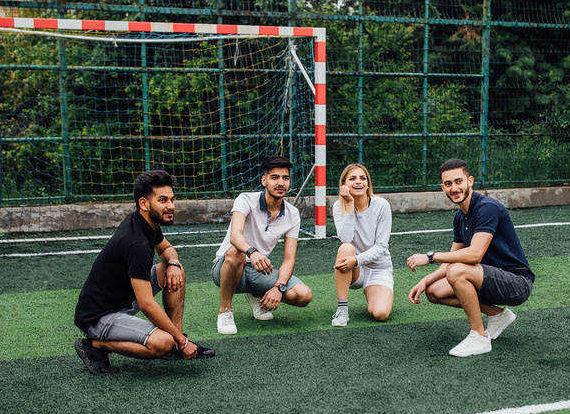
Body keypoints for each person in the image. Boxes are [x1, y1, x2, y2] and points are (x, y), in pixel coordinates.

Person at [74, 170, 215, 374]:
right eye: (163, 200)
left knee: (176, 270)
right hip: (98, 317)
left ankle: (176, 344)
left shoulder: (146, 222)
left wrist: (174, 263)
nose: (171, 206)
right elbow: (147, 305)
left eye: (172, 200)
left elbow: (167, 250)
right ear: (144, 203)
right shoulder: (136, 243)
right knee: (163, 342)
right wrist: (181, 340)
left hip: (122, 299)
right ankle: (95, 346)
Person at [407, 158, 535, 357]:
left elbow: (474, 254)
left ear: (470, 181)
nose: (454, 188)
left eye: (459, 181)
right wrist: (424, 281)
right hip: (486, 279)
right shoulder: (460, 217)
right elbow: (452, 257)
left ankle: (479, 336)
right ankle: (497, 315)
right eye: (448, 184)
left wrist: (430, 257)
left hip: (516, 284)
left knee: (457, 270)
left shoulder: (487, 208)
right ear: (443, 188)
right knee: (434, 291)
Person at [212, 155, 313, 334]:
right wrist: (253, 252)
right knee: (236, 252)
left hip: (258, 271)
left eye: (285, 178)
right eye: (275, 177)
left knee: (303, 295)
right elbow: (235, 235)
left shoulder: (292, 213)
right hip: (227, 267)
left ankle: (256, 295)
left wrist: (279, 287)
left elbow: (289, 259)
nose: (281, 183)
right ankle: (225, 311)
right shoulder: (245, 199)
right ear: (264, 180)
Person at [331, 163, 393, 327]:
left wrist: (357, 260)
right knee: (346, 248)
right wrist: (350, 205)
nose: (358, 182)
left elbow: (381, 247)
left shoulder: (381, 205)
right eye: (352, 178)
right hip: (354, 271)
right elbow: (345, 238)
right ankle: (342, 309)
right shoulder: (339, 206)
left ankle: (373, 292)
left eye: (362, 178)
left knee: (380, 314)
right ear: (344, 184)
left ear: (368, 183)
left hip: (378, 268)